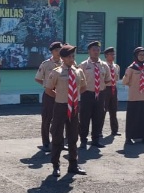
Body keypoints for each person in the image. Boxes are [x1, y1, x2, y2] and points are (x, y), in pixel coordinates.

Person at [45, 44, 87, 176]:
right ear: (63, 58)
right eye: (69, 56)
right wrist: (60, 96)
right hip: (61, 106)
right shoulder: (56, 72)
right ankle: (55, 165)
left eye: (73, 56)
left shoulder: (78, 71)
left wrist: (73, 97)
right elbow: (48, 90)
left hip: (74, 106)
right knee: (57, 136)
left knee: (73, 136)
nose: (72, 58)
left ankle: (73, 164)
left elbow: (84, 87)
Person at [78, 41, 111, 149]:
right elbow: (78, 80)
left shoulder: (104, 65)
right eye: (94, 49)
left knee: (98, 117)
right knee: (84, 118)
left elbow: (107, 79)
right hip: (87, 94)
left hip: (100, 94)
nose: (96, 52)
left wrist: (100, 88)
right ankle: (83, 140)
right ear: (89, 51)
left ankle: (95, 140)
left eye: (98, 49)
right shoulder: (83, 65)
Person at [121, 47, 144, 145]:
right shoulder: (131, 68)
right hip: (134, 97)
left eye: (143, 55)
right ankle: (129, 137)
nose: (142, 56)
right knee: (133, 118)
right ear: (136, 56)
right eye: (140, 55)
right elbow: (125, 81)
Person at [34, 41, 63, 152]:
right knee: (47, 119)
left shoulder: (65, 63)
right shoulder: (46, 64)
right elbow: (37, 78)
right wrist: (47, 86)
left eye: (60, 50)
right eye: (56, 50)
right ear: (52, 52)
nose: (59, 52)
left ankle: (59, 141)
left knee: (61, 119)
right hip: (49, 95)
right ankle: (46, 143)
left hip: (62, 94)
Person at [103, 47, 120, 136]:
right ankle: (99, 131)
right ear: (106, 55)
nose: (113, 56)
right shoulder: (103, 66)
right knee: (103, 110)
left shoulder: (116, 66)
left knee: (114, 110)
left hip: (113, 88)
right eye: (111, 54)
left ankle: (114, 130)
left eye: (114, 54)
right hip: (106, 89)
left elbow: (117, 78)